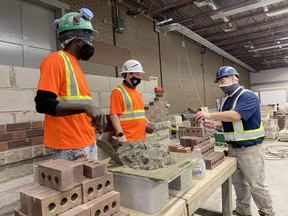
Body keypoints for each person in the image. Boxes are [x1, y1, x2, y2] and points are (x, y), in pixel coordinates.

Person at [194, 66, 275, 216]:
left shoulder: (248, 96)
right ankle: (243, 211)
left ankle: (268, 212)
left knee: (256, 185)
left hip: (250, 150)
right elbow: (230, 122)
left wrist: (210, 115)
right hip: (233, 149)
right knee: (238, 183)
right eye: (219, 82)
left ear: (234, 78)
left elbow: (236, 116)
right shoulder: (227, 101)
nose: (221, 85)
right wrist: (216, 124)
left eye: (223, 80)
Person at [34, 8, 106, 161]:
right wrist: (86, 107)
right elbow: (43, 104)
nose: (91, 44)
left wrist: (91, 119)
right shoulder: (56, 60)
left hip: (86, 141)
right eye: (89, 40)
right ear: (78, 41)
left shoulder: (75, 65)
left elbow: (76, 105)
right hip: (70, 147)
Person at [110, 59, 150, 143]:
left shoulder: (138, 92)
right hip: (128, 139)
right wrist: (121, 134)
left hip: (141, 137)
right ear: (128, 75)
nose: (140, 77)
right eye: (137, 74)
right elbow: (114, 114)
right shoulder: (118, 92)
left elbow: (137, 112)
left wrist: (145, 120)